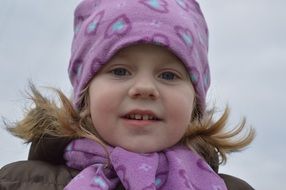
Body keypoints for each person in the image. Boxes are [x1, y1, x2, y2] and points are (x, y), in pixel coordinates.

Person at [0, 0, 255, 189]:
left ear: (195, 103)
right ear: (85, 95)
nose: (144, 88)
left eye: (168, 75)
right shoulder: (17, 182)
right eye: (120, 71)